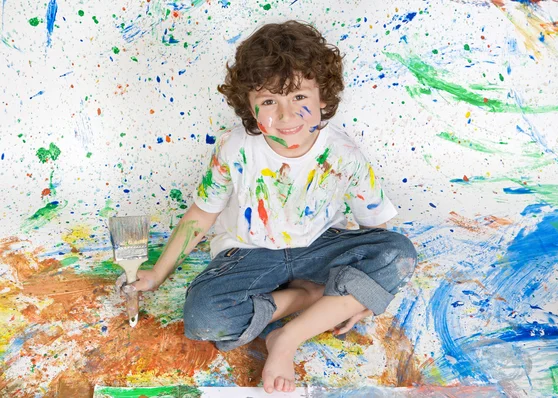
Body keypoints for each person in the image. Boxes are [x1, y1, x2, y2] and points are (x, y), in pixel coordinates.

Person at [122, 20, 417, 394]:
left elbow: (378, 236)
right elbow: (201, 214)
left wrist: (370, 290)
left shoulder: (344, 153)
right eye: (268, 102)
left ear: (322, 97)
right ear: (248, 105)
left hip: (319, 247)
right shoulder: (235, 148)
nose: (286, 116)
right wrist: (158, 274)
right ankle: (308, 296)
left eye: (299, 98)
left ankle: (287, 337)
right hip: (249, 253)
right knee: (204, 317)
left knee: (399, 254)